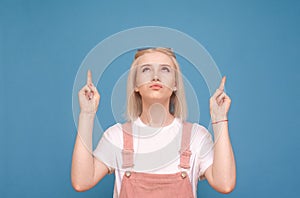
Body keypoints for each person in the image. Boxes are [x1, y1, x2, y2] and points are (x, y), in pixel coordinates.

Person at [71, 47, 236, 197]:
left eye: (165, 69)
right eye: (146, 69)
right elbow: (82, 182)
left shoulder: (196, 136)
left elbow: (225, 184)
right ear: (135, 84)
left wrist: (219, 118)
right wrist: (86, 114)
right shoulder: (117, 136)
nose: (155, 76)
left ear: (175, 84)